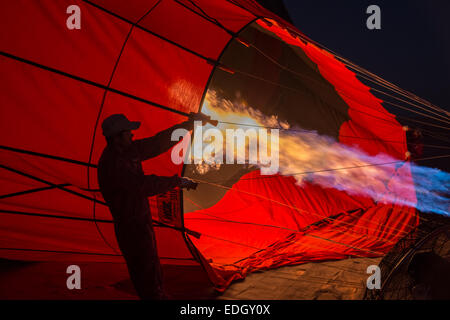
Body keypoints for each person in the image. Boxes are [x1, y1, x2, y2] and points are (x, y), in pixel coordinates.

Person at [97, 113, 201, 300]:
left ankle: (157, 295)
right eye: (128, 132)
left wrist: (189, 125)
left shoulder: (127, 151)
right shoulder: (113, 164)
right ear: (116, 137)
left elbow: (158, 143)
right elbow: (143, 185)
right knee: (144, 268)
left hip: (139, 219)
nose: (132, 135)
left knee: (151, 264)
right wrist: (176, 181)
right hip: (130, 225)